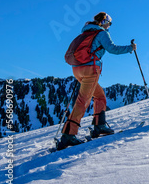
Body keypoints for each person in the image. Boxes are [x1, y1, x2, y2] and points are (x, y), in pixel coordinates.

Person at [58, 12, 136, 150]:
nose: (109, 26)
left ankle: (99, 126)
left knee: (99, 96)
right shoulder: (101, 33)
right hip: (91, 69)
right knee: (83, 101)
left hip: (77, 69)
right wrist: (130, 48)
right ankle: (68, 135)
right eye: (109, 23)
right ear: (105, 21)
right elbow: (113, 49)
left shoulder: (84, 33)